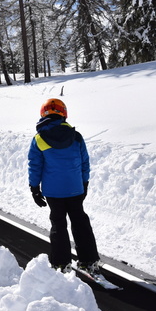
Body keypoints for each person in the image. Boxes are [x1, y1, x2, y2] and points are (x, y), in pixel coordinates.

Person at [27, 98, 100, 274]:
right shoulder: (76, 137)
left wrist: (34, 188)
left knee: (58, 225)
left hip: (53, 192)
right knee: (80, 222)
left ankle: (61, 263)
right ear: (64, 113)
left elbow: (35, 165)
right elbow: (85, 163)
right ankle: (88, 261)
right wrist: (84, 183)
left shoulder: (39, 139)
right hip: (75, 188)